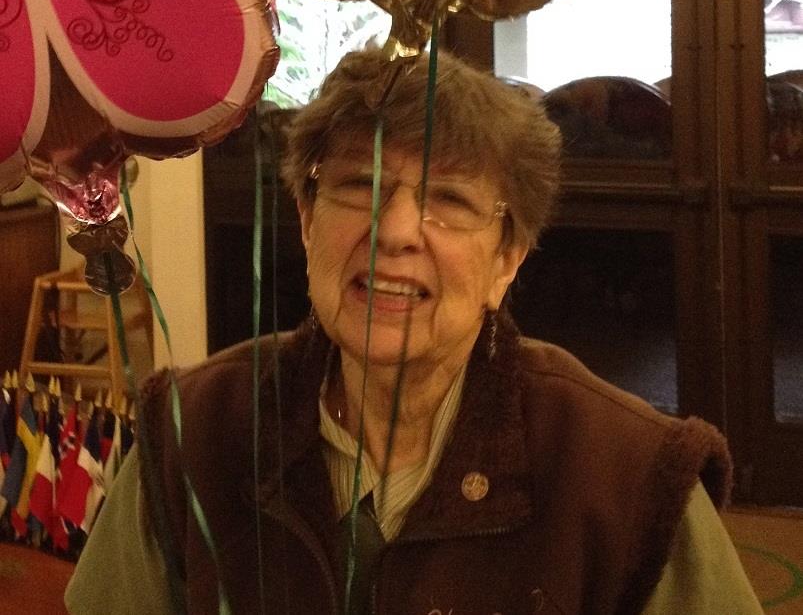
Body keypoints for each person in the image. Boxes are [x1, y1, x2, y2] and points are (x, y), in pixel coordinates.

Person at [65, 48, 763, 614]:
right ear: (306, 221)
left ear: (507, 259)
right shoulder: (189, 433)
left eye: (450, 199)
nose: (395, 230)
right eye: (358, 186)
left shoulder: (626, 477)